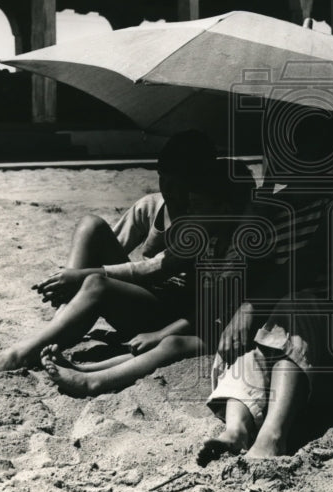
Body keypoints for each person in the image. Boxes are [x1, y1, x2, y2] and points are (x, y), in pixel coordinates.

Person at [0, 130, 227, 373]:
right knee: (91, 225)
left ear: (197, 182)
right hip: (146, 297)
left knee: (96, 282)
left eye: (180, 184)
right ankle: (62, 321)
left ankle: (22, 354)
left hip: (169, 319)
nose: (169, 191)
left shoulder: (204, 220)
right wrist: (74, 280)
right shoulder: (152, 206)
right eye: (163, 180)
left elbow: (154, 269)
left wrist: (83, 277)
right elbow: (105, 247)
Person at [197, 114, 333, 464]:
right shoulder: (278, 210)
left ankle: (273, 435)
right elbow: (234, 286)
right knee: (252, 346)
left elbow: (306, 265)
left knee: (294, 306)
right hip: (291, 344)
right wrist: (254, 220)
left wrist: (249, 308)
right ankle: (237, 430)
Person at [40, 158, 256, 395]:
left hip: (234, 331)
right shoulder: (211, 242)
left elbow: (212, 309)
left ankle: (93, 381)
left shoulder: (238, 251)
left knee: (171, 343)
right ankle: (84, 369)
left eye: (197, 206)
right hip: (212, 322)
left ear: (224, 210)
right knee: (161, 343)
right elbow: (207, 307)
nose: (190, 211)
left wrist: (161, 333)